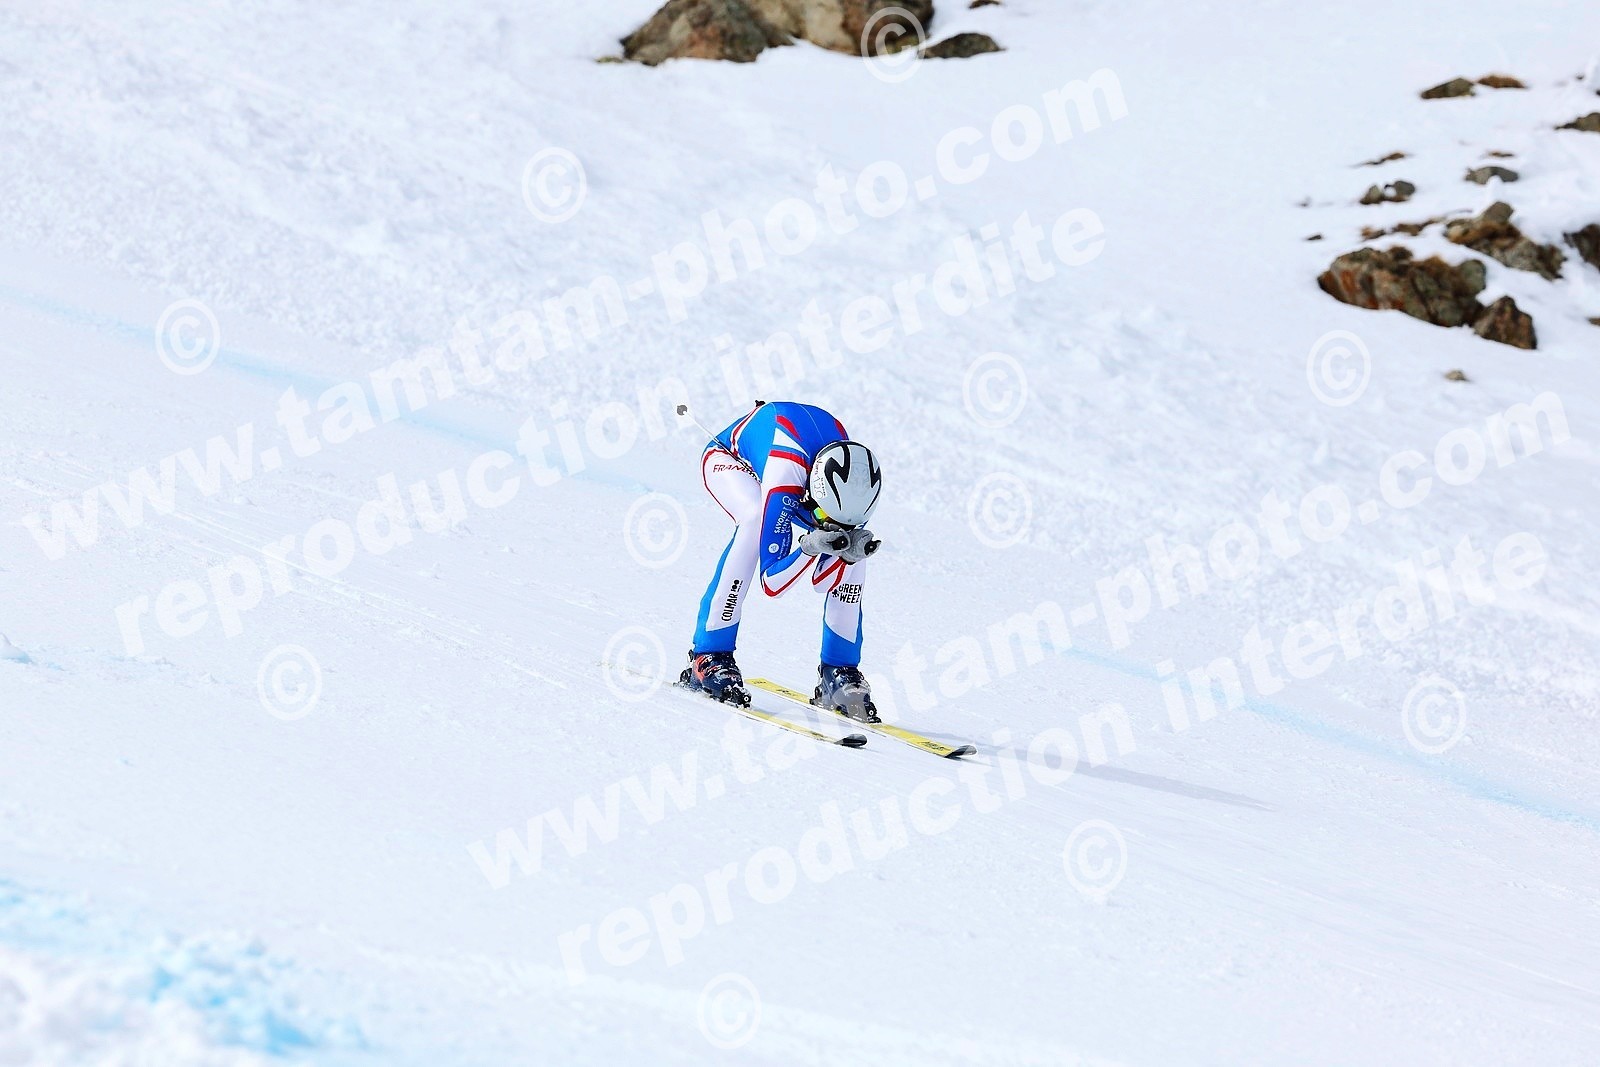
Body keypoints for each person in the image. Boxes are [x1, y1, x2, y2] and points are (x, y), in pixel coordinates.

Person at [679, 401, 884, 721]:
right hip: (730, 459)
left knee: (856, 551)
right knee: (753, 520)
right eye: (824, 516)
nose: (826, 524)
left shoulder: (855, 489)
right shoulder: (784, 475)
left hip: (805, 478)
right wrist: (809, 549)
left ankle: (839, 670)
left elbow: (822, 581)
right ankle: (709, 655)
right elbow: (772, 582)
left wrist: (845, 555)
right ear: (814, 493)